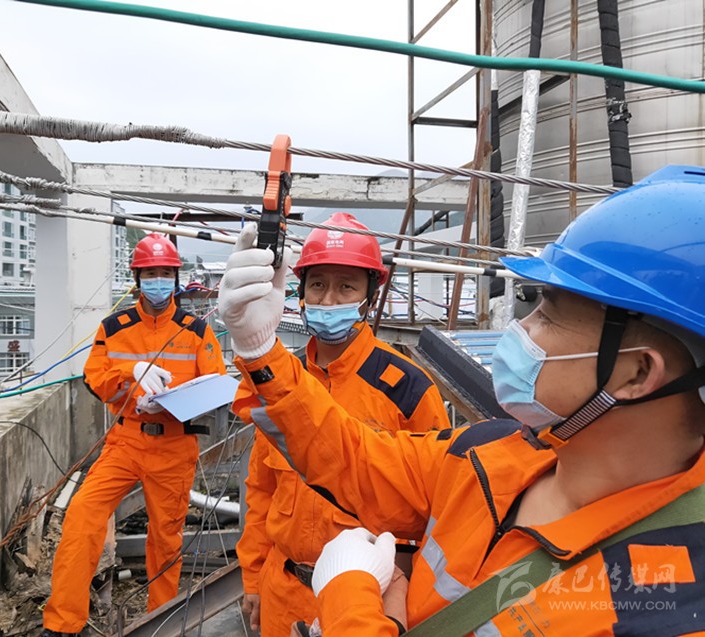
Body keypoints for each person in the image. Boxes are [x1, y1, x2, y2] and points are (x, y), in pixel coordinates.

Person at [218, 166, 705, 636]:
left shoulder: (672, 605)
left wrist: (350, 598)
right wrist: (260, 351)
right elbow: (349, 457)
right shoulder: (485, 456)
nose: (520, 330)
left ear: (638, 372)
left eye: (548, 315)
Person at [234, 213, 449, 636]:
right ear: (300, 293)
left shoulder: (406, 387)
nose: (329, 300)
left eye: (346, 286)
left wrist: (407, 601)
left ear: (370, 295)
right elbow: (262, 487)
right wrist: (254, 577)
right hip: (282, 589)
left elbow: (436, 508)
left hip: (365, 599)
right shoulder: (281, 382)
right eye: (318, 285)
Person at [42, 233, 227, 636]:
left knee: (166, 539)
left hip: (174, 445)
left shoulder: (196, 331)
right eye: (150, 274)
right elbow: (95, 379)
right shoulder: (115, 327)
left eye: (165, 274)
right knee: (83, 515)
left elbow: (215, 386)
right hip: (125, 441)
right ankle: (62, 623)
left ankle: (159, 621)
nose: (158, 281)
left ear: (175, 278)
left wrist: (171, 404)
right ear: (137, 278)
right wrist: (132, 375)